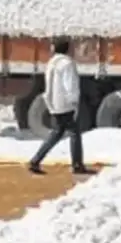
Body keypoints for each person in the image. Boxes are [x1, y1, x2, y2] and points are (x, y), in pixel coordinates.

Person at [28, 38, 94, 175]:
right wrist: (74, 101)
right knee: (74, 132)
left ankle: (36, 160)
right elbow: (70, 84)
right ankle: (77, 164)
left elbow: (48, 85)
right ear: (68, 49)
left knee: (58, 132)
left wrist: (49, 102)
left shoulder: (52, 63)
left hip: (55, 103)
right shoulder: (67, 64)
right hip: (65, 104)